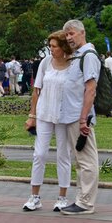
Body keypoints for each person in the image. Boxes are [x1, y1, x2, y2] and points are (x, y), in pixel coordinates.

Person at [22, 30, 74, 212]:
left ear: (63, 47)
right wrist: (32, 115)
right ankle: (34, 196)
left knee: (63, 155)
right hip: (44, 114)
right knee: (39, 154)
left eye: (54, 46)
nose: (51, 49)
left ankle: (62, 197)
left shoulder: (73, 64)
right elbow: (36, 91)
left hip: (63, 116)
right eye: (50, 46)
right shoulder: (45, 63)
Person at [60, 20, 101, 215]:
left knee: (86, 160)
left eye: (72, 33)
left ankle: (85, 202)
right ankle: (81, 199)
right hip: (73, 116)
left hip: (80, 117)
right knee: (80, 159)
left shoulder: (89, 56)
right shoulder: (78, 56)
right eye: (67, 35)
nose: (69, 38)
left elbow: (90, 89)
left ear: (82, 32)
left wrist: (84, 118)